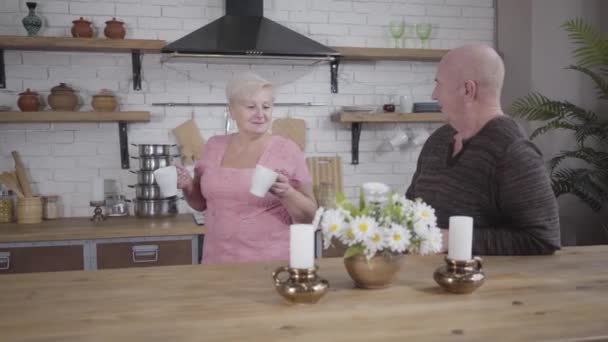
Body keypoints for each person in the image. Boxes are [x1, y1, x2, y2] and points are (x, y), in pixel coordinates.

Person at [406, 44, 561, 255]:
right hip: (421, 279)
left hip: (484, 284)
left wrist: (451, 239)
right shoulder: (438, 141)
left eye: (439, 84)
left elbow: (543, 238)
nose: (434, 95)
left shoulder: (514, 153)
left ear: (468, 90)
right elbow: (410, 207)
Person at [176, 73, 317, 264]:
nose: (260, 114)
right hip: (216, 261)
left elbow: (310, 216)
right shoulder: (213, 146)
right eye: (251, 107)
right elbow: (200, 203)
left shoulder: (287, 150)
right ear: (231, 111)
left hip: (270, 266)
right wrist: (187, 188)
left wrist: (287, 193)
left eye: (266, 106)